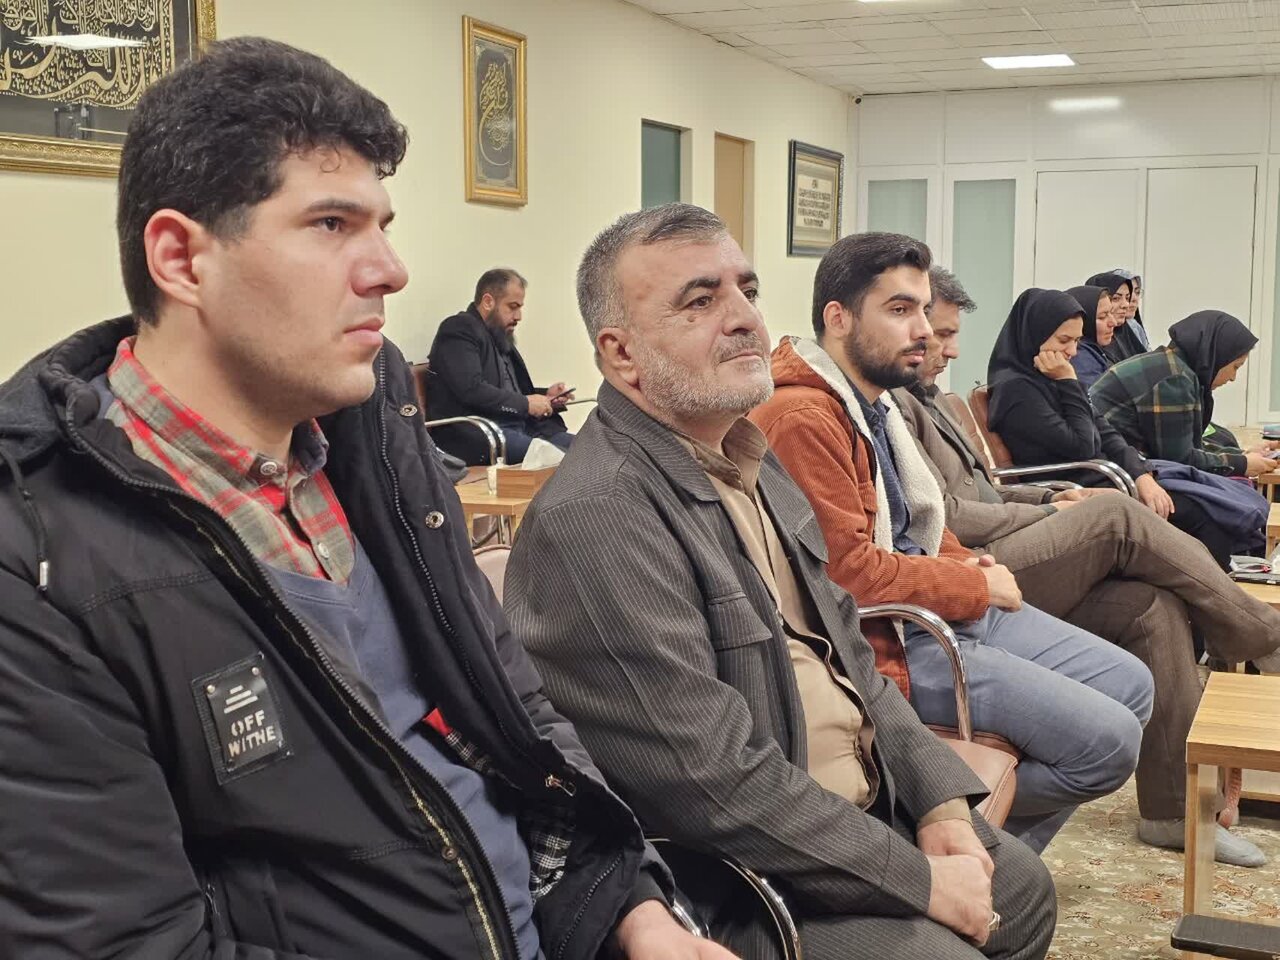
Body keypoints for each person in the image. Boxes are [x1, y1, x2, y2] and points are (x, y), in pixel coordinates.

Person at [0, 39, 731, 960]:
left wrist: (632, 908)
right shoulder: (38, 555)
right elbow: (127, 943)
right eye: (331, 224)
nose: (390, 269)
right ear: (181, 259)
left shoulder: (367, 433)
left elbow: (512, 708)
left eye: (381, 224)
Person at [507, 203, 1059, 960]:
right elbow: (712, 784)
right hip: (737, 881)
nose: (744, 319)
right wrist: (920, 880)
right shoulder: (598, 518)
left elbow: (853, 658)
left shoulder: (751, 460)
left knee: (1022, 890)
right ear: (622, 354)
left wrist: (939, 803)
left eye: (748, 290)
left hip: (850, 808)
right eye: (700, 301)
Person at [748, 232, 1151, 854]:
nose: (923, 331)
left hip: (938, 604)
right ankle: (955, 844)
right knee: (1107, 744)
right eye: (899, 310)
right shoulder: (804, 417)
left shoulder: (874, 404)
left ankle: (976, 844)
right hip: (893, 640)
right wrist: (972, 584)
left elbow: (921, 523)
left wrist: (965, 563)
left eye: (921, 309)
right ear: (838, 318)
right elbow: (847, 577)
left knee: (1132, 685)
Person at [898, 265, 1280, 865]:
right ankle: (1266, 636)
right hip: (978, 565)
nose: (949, 349)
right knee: (1116, 516)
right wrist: (1049, 511)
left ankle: (1172, 813)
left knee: (1155, 607)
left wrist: (1053, 497)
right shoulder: (904, 406)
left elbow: (1000, 482)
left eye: (948, 333)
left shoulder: (933, 399)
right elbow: (947, 516)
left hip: (1008, 537)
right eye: (938, 334)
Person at [984, 288, 1240, 568]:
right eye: (1064, 340)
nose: (1072, 352)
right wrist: (1069, 383)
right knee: (1201, 516)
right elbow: (1084, 446)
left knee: (1207, 505)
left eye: (1077, 341)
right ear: (1033, 336)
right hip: (1076, 489)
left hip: (1104, 478)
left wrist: (1141, 476)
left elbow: (1105, 431)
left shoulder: (1046, 379)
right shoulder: (1018, 390)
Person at [1091, 311, 1273, 478]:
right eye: (1235, 367)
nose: (1233, 377)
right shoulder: (1173, 380)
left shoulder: (1172, 366)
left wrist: (1243, 456)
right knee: (1238, 495)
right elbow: (1180, 460)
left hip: (1121, 466)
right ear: (1217, 355)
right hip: (1109, 474)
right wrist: (1242, 464)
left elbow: (1186, 449)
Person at [427, 268, 575, 464]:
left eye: (520, 307)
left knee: (589, 450)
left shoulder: (498, 333)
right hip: (482, 433)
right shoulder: (459, 329)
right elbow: (471, 389)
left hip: (524, 427)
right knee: (559, 460)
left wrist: (545, 396)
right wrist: (526, 404)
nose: (519, 316)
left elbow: (507, 389)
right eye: (512, 307)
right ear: (488, 301)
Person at [1064, 284, 1115, 391]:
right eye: (1102, 317)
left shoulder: (1094, 349)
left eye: (1111, 312)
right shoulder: (1080, 358)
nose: (1113, 322)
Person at [1094, 269, 1150, 360]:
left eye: (1137, 292)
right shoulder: (1085, 347)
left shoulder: (1131, 327)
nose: (1126, 304)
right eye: (1116, 298)